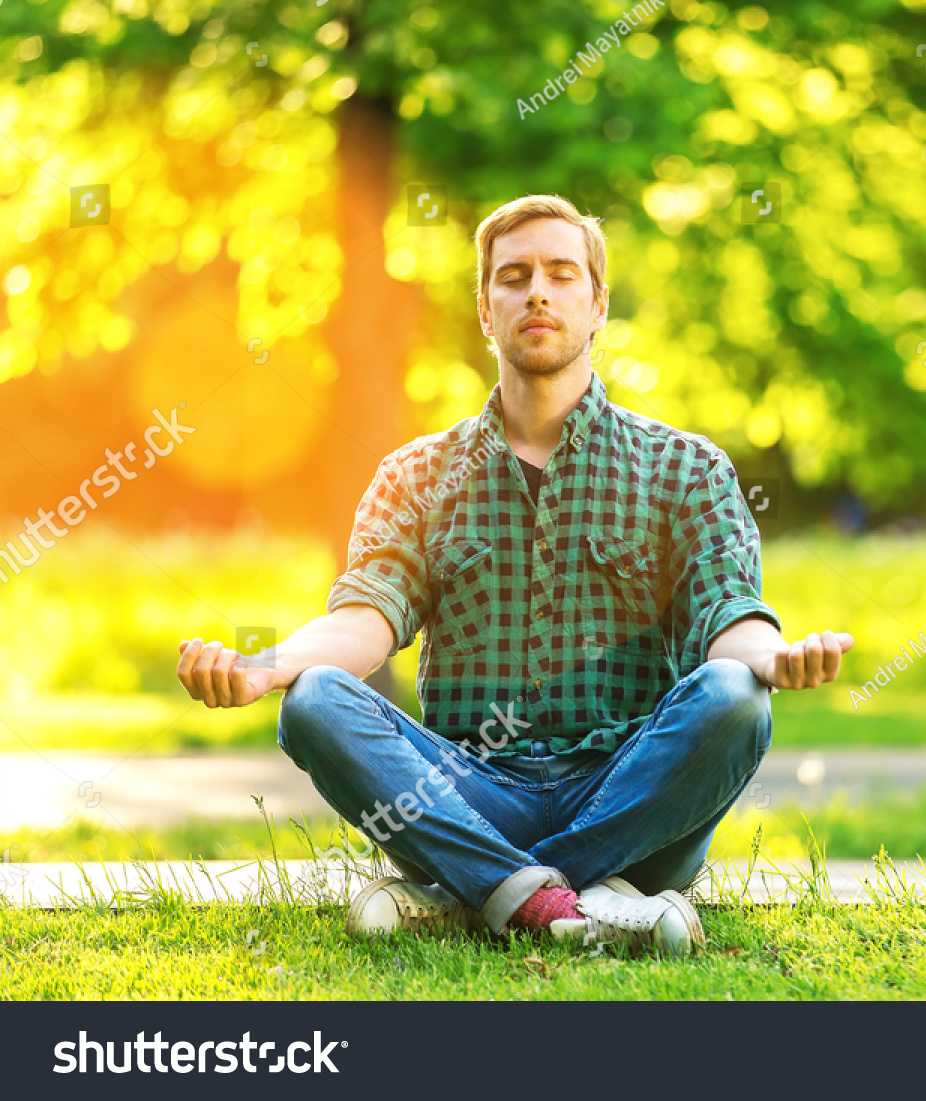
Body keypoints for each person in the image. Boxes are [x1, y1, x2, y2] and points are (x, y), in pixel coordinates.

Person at [176, 193, 854, 955]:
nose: (538, 290)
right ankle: (587, 904)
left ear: (598, 306)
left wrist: (772, 656)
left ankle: (480, 895)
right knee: (315, 702)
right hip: (467, 798)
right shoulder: (416, 474)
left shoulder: (685, 467)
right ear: (484, 307)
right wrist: (267, 668)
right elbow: (366, 621)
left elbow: (728, 612)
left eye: (563, 274)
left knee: (735, 698)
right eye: (515, 275)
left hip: (630, 799)